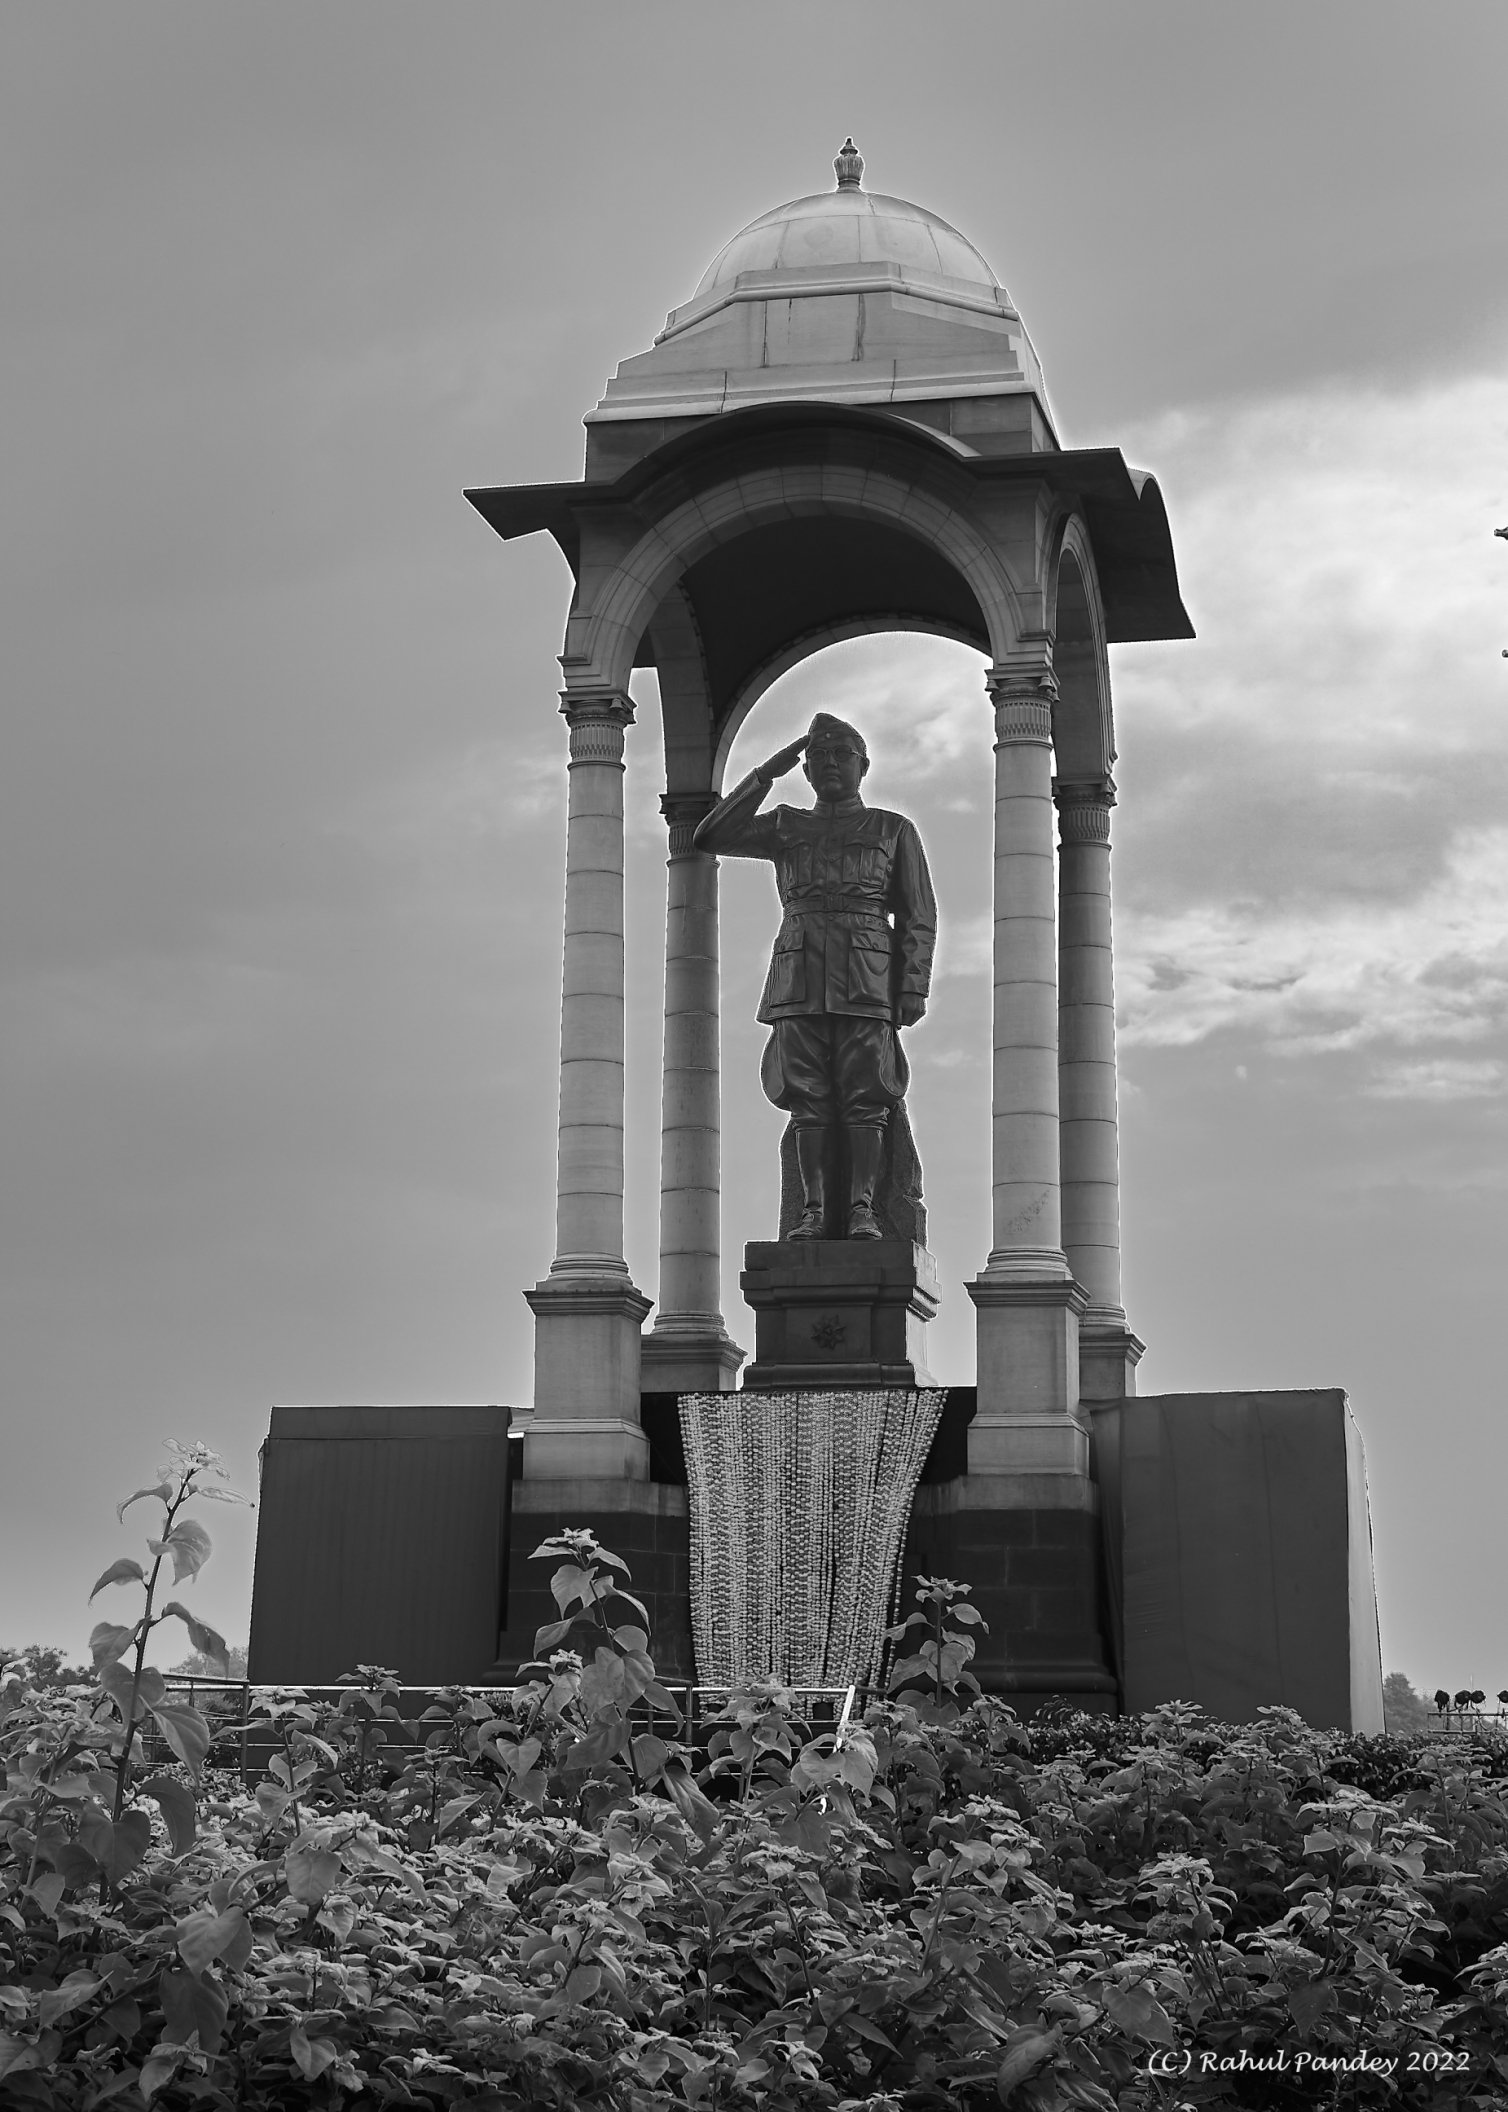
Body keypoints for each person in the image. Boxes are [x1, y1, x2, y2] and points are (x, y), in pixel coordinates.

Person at [693, 712, 936, 1239]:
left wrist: (912, 986)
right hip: (799, 976)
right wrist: (767, 773)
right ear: (803, 770)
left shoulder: (892, 829)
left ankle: (864, 1210)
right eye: (817, 756)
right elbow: (711, 834)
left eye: (842, 754)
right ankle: (814, 1212)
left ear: (863, 766)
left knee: (866, 1098)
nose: (829, 763)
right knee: (807, 1099)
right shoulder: (786, 825)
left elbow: (919, 915)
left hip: (867, 978)